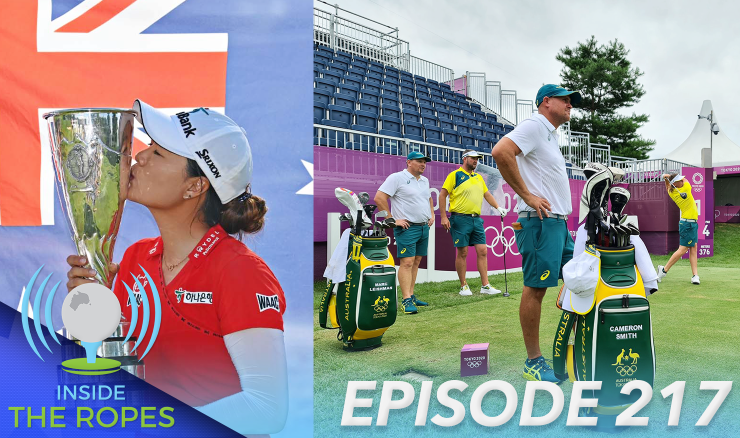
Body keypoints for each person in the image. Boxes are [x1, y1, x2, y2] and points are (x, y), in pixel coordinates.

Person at [65, 100, 288, 435]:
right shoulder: (135, 259)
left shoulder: (241, 271)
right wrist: (91, 318)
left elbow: (266, 408)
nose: (139, 157)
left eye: (158, 153)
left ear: (195, 186)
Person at [491, 84, 581, 383]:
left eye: (571, 102)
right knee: (536, 288)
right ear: (546, 102)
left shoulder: (549, 134)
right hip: (540, 221)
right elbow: (501, 152)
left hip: (557, 223)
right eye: (564, 100)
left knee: (580, 277)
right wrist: (528, 196)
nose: (570, 105)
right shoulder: (534, 125)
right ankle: (533, 361)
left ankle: (578, 345)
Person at [374, 152, 435, 315]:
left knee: (416, 261)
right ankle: (406, 299)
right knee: (407, 262)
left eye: (425, 162)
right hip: (407, 228)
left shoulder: (424, 180)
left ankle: (412, 295)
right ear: (409, 162)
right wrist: (391, 220)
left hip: (423, 227)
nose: (423, 165)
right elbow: (379, 198)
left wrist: (432, 214)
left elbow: (428, 198)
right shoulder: (396, 178)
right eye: (419, 162)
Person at [439, 149, 503, 296]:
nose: (476, 161)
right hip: (460, 218)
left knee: (483, 251)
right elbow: (442, 195)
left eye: (477, 159)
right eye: (473, 158)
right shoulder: (454, 175)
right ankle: (464, 286)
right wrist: (443, 217)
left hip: (477, 219)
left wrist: (498, 207)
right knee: (463, 252)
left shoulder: (479, 177)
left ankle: (485, 285)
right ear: (465, 158)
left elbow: (487, 194)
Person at [657, 173, 700, 284]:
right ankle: (664, 270)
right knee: (683, 250)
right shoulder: (685, 188)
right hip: (687, 224)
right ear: (675, 184)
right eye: (679, 180)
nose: (682, 180)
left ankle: (695, 275)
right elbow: (686, 179)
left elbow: (668, 186)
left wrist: (666, 179)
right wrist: (669, 176)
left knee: (693, 248)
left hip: (691, 224)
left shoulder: (672, 192)